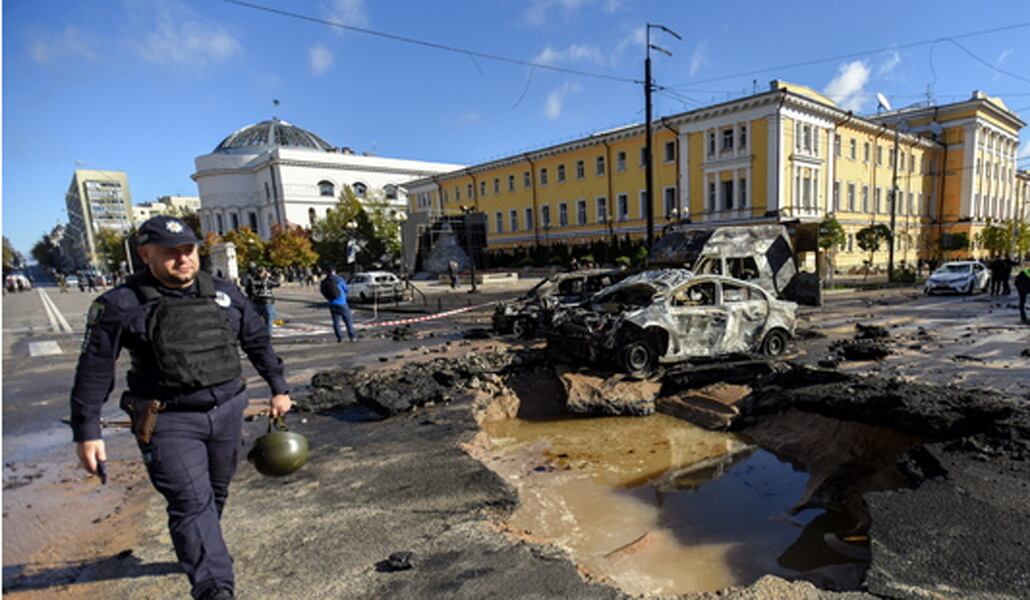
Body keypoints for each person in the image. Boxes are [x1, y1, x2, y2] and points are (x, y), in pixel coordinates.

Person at [69, 215, 292, 600]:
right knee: (191, 501)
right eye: (170, 253)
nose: (182, 260)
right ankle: (213, 587)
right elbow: (94, 368)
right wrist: (87, 430)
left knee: (215, 493)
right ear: (145, 254)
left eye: (188, 251)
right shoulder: (120, 304)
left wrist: (279, 387)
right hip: (168, 420)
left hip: (227, 411)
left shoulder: (224, 293)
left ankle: (200, 548)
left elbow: (257, 342)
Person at [320, 267, 355, 342]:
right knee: (348, 320)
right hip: (342, 302)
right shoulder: (339, 279)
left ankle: (340, 338)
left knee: (336, 322)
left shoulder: (324, 281)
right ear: (334, 271)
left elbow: (322, 291)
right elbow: (346, 289)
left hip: (331, 303)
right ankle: (352, 336)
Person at [243, 265, 280, 335]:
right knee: (269, 321)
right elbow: (277, 283)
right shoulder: (267, 280)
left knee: (255, 321)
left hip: (256, 302)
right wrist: (275, 275)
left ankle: (256, 334)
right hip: (267, 302)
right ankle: (267, 336)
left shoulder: (253, 280)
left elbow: (247, 288)